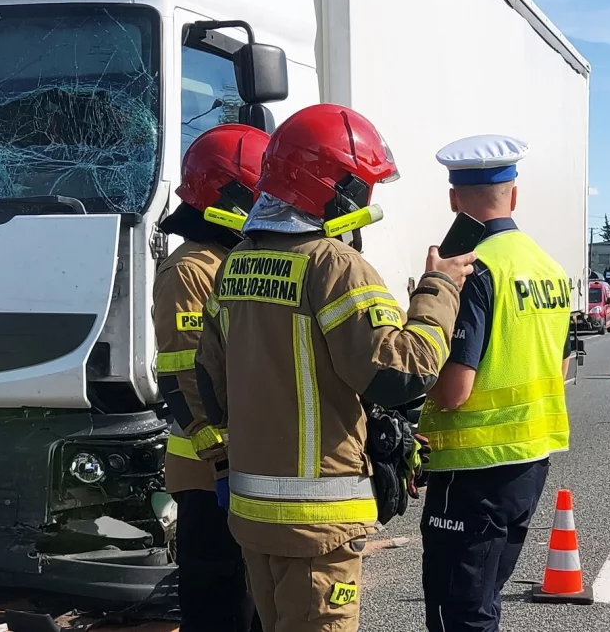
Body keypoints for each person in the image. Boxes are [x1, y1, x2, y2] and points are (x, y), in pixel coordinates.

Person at [194, 104, 476, 632]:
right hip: (318, 525)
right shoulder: (333, 265)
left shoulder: (236, 263)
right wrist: (440, 288)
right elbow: (403, 374)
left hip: (253, 514)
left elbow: (209, 384)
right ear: (333, 187)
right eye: (363, 187)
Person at [419, 134, 574, 632]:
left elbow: (452, 391)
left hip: (471, 470)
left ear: (452, 199)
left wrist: (427, 315)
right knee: (484, 601)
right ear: (514, 194)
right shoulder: (549, 268)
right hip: (529, 464)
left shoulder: (472, 270)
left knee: (457, 614)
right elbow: (562, 363)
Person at [154, 123, 270, 632]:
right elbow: (184, 374)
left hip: (243, 468)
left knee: (251, 606)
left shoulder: (233, 259)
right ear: (229, 196)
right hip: (209, 477)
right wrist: (222, 459)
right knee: (218, 608)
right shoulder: (192, 269)